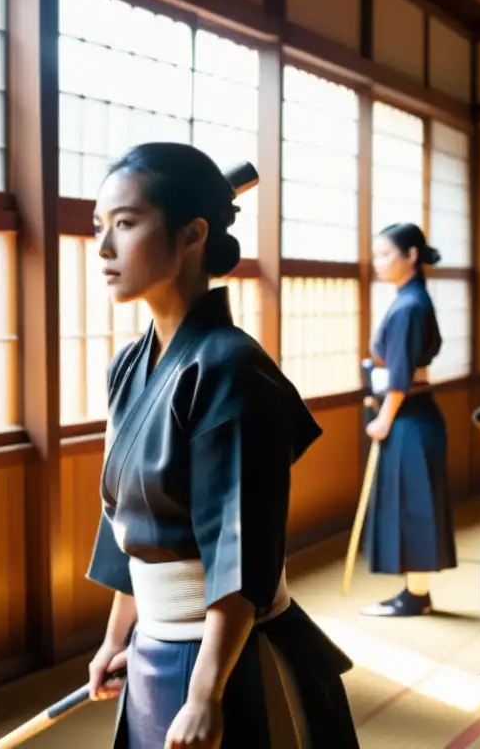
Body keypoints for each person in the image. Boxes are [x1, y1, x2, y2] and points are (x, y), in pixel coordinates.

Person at [83, 142, 360, 749]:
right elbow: (127, 522)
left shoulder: (231, 371)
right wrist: (116, 637)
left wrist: (207, 693)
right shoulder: (128, 367)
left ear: (193, 233)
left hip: (233, 657)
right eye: (99, 227)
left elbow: (241, 551)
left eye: (125, 225)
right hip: (155, 647)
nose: (103, 249)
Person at [359, 223, 456, 617]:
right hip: (410, 416)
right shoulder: (409, 300)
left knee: (415, 504)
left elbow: (400, 373)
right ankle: (414, 591)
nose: (378, 263)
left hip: (409, 417)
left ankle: (415, 595)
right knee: (410, 503)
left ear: (411, 255)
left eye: (386, 255)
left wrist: (384, 417)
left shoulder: (411, 305)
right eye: (377, 255)